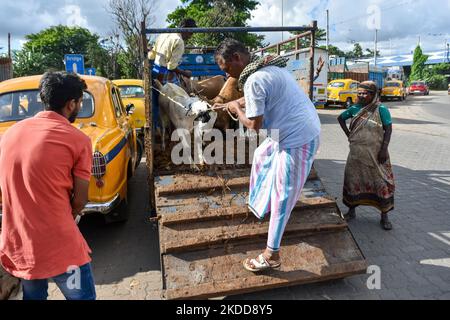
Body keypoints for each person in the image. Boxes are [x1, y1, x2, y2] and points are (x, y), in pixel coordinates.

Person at [213, 39, 321, 272]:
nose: (226, 74)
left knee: (284, 196)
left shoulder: (254, 80)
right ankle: (263, 200)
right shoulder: (271, 69)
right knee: (262, 154)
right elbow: (256, 100)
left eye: (226, 69)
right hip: (293, 131)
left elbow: (253, 126)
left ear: (237, 59)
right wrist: (232, 103)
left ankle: (272, 255)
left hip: (298, 139)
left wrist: (236, 109)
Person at [0, 72, 95, 300]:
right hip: (61, 247)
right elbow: (81, 200)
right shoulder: (78, 140)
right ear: (71, 104)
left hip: (22, 245)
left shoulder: (9, 135)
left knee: (33, 297)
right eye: (80, 102)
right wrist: (68, 213)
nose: (79, 106)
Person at [337, 81, 395, 230]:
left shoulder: (381, 109)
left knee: (381, 182)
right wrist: (349, 135)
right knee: (352, 181)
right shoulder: (355, 108)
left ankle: (384, 215)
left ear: (373, 94)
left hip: (376, 155)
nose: (361, 96)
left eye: (365, 93)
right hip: (356, 155)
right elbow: (340, 118)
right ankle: (351, 211)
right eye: (359, 93)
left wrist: (384, 149)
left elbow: (388, 129)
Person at [148, 18, 196, 129]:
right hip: (163, 73)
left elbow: (152, 55)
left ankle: (156, 128)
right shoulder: (179, 42)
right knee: (180, 98)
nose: (191, 36)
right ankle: (180, 125)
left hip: (154, 70)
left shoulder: (165, 34)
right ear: (185, 29)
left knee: (155, 102)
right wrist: (185, 73)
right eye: (191, 33)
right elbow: (171, 66)